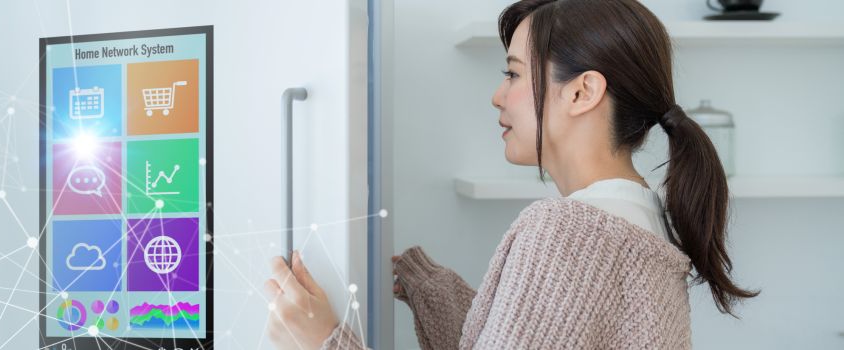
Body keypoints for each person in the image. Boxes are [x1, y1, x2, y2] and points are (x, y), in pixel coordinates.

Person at [264, 0, 759, 348]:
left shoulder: (567, 232)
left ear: (582, 92)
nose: (498, 96)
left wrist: (322, 340)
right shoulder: (643, 225)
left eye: (514, 73)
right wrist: (436, 291)